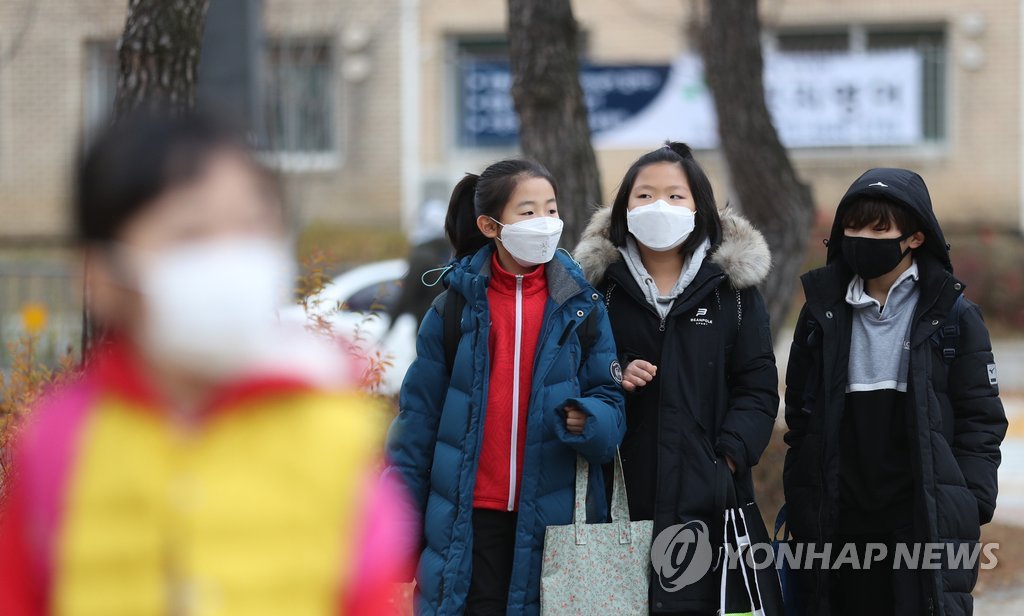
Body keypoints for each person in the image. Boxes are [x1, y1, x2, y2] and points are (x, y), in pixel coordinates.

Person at [0, 112, 411, 616]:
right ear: (101, 273)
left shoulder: (330, 435)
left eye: (252, 227)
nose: (229, 257)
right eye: (190, 234)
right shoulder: (61, 439)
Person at [385, 158, 625, 615]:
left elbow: (611, 407)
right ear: (490, 226)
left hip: (554, 521)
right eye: (528, 212)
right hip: (468, 521)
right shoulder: (452, 310)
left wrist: (591, 419)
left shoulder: (582, 308)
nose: (545, 222)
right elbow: (416, 429)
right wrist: (396, 536)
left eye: (551, 209)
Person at [782, 168, 1007, 616]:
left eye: (878, 229)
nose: (861, 239)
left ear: (916, 237)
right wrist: (804, 498)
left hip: (921, 525)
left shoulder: (954, 316)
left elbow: (981, 421)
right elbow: (800, 419)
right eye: (852, 227)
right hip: (838, 528)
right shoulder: (820, 315)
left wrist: (969, 503)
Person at [575, 142, 780, 615]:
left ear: (698, 207)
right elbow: (572, 374)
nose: (659, 207)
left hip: (711, 497)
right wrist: (616, 372)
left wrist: (727, 458)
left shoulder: (733, 291)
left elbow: (757, 385)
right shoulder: (597, 290)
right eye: (644, 196)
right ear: (625, 208)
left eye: (674, 196)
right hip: (618, 496)